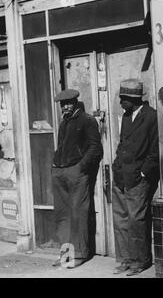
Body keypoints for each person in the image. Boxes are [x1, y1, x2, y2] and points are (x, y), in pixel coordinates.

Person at [112, 79, 160, 276]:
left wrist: (143, 172)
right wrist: (116, 166)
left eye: (124, 98)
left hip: (138, 179)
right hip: (121, 175)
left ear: (134, 99)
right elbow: (122, 143)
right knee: (121, 219)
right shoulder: (126, 116)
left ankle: (140, 261)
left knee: (136, 220)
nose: (121, 102)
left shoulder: (151, 117)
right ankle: (125, 259)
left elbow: (155, 149)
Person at [52, 89, 103, 268]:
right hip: (60, 172)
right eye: (62, 104)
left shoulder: (87, 120)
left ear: (75, 102)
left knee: (78, 214)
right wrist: (55, 166)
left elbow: (96, 148)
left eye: (68, 103)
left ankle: (80, 254)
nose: (65, 106)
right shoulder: (63, 122)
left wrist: (80, 168)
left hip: (76, 173)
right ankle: (66, 254)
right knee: (63, 215)